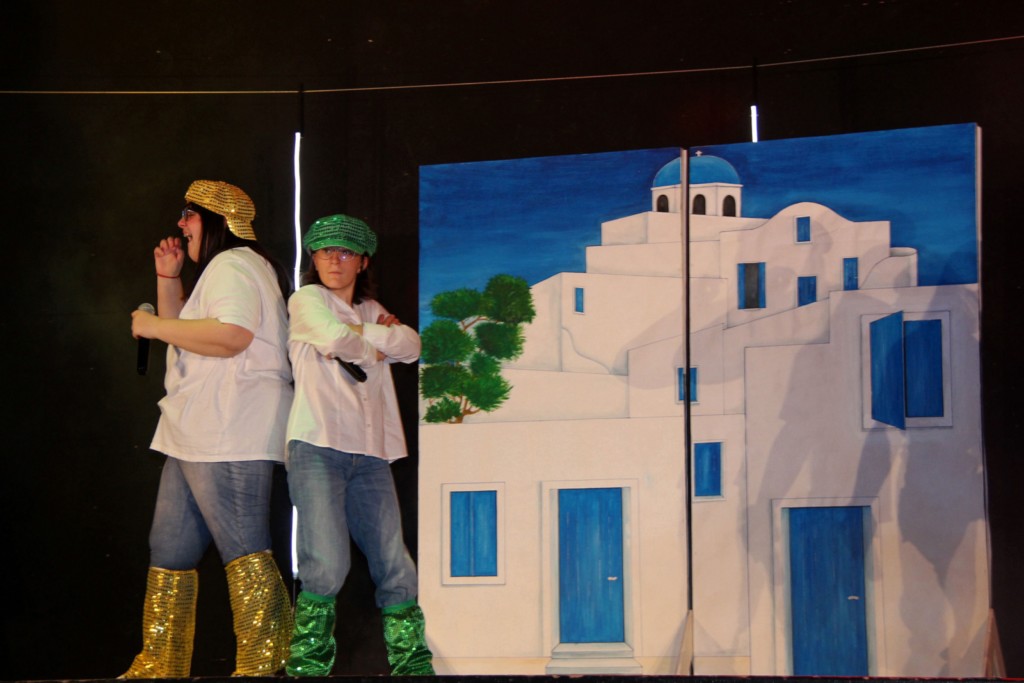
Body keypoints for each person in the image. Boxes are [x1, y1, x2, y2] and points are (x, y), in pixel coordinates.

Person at [123, 180, 294, 678]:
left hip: (227, 429)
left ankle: (264, 665)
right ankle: (160, 664)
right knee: (170, 548)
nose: (180, 224)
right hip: (196, 431)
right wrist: (168, 279)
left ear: (218, 221)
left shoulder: (234, 264)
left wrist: (152, 326)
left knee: (243, 546)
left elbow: (231, 336)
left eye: (190, 214)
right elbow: (190, 336)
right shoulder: (231, 268)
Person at [284, 214, 434, 676]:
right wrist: (375, 343)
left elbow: (411, 345)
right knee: (326, 564)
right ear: (313, 258)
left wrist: (365, 336)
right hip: (318, 445)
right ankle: (308, 668)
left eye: (345, 252)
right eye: (325, 251)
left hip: (371, 454)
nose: (334, 260)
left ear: (362, 262)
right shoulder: (307, 299)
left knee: (396, 565)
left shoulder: (370, 310)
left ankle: (412, 666)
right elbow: (332, 337)